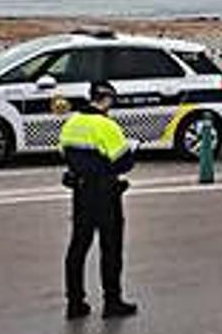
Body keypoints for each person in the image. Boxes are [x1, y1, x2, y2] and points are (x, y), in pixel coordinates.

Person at [60, 81, 138, 320]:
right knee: (111, 248)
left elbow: (66, 154)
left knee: (78, 248)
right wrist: (131, 149)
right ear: (106, 99)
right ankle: (112, 303)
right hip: (105, 194)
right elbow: (124, 162)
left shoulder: (71, 123)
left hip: (81, 193)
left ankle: (75, 303)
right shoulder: (106, 126)